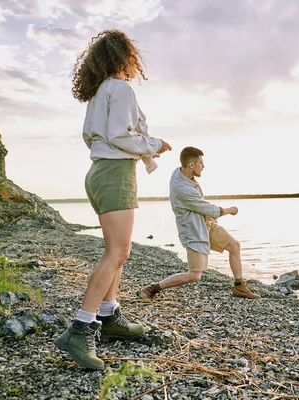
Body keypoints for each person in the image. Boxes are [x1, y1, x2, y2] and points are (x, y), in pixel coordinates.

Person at [54, 30, 172, 371]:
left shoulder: (100, 92)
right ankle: (79, 329)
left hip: (100, 172)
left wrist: (139, 147)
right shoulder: (119, 88)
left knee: (120, 251)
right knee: (117, 252)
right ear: (126, 57)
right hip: (114, 174)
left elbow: (93, 136)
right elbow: (121, 135)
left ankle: (108, 317)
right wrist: (155, 144)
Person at [137, 147, 260, 301]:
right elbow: (209, 209)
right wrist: (230, 210)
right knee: (194, 275)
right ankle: (151, 289)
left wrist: (211, 218)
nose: (203, 166)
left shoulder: (182, 174)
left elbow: (203, 209)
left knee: (234, 245)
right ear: (191, 166)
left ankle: (239, 287)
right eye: (201, 163)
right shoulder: (181, 189)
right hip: (194, 231)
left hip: (206, 224)